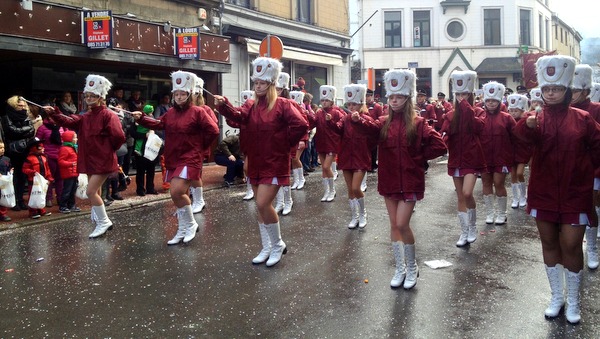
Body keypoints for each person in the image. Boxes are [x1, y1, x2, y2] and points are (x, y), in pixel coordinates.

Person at [513, 55, 600, 324]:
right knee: (549, 243)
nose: (551, 94)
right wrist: (525, 128)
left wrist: (591, 178)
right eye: (547, 89)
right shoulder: (534, 119)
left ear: (567, 89)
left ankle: (574, 300)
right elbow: (519, 148)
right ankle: (556, 297)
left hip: (576, 193)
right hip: (543, 191)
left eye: (557, 89)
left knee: (572, 246)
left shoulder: (584, 119)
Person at [213, 57, 308, 267]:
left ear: (272, 84)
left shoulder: (284, 105)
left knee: (263, 203)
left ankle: (277, 244)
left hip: (274, 161)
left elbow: (302, 124)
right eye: (256, 83)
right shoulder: (250, 104)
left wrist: (286, 144)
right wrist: (225, 105)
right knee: (261, 207)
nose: (258, 86)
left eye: (262, 83)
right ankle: (266, 246)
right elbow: (238, 116)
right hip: (255, 160)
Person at [375, 70, 446, 289]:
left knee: (402, 223)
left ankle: (412, 267)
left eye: (398, 96)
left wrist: (417, 158)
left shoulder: (419, 122)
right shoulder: (382, 122)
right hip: (389, 179)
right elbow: (365, 134)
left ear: (407, 98)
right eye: (391, 97)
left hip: (410, 179)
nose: (394, 100)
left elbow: (440, 146)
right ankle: (399, 268)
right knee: (393, 225)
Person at [132, 71, 219, 245]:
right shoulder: (170, 113)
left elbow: (214, 130)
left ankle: (191, 224)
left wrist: (200, 148)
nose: (179, 97)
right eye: (176, 94)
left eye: (183, 94)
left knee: (176, 191)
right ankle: (182, 228)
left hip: (190, 157)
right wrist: (142, 118)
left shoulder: (198, 112)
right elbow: (158, 123)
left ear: (189, 94)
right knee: (178, 196)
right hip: (173, 157)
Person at [45, 74, 126, 238]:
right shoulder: (85, 116)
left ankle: (104, 221)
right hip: (90, 159)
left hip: (103, 160)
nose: (89, 98)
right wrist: (54, 112)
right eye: (87, 95)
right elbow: (68, 121)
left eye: (93, 95)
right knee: (95, 189)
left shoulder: (108, 115)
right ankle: (98, 217)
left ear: (100, 97)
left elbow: (119, 137)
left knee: (90, 191)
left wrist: (107, 150)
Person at [440, 71, 486, 247]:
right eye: (458, 94)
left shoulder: (479, 111)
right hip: (456, 158)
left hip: (472, 158)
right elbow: (445, 132)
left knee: (467, 193)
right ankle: (464, 231)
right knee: (460, 196)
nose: (461, 97)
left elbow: (478, 128)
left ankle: (472, 226)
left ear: (471, 95)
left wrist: (466, 107)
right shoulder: (451, 114)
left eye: (465, 94)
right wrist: (444, 136)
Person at [326, 84, 379, 229]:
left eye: (354, 104)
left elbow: (375, 131)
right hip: (346, 156)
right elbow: (338, 130)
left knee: (356, 188)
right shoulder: (345, 118)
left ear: (361, 104)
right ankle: (354, 216)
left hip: (361, 157)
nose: (351, 107)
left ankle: (363, 214)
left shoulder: (366, 117)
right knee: (350, 190)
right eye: (349, 104)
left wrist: (360, 121)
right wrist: (330, 121)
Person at [570, 64, 600, 270]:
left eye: (575, 91)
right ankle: (575, 247)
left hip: (592, 167)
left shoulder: (597, 109)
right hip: (569, 167)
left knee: (590, 204)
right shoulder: (563, 109)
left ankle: (592, 248)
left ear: (586, 91)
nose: (571, 95)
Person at [479, 81, 516, 225]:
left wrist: (512, 156)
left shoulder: (507, 118)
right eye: (488, 100)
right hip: (484, 158)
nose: (491, 103)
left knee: (499, 183)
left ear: (499, 100)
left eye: (494, 100)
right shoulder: (481, 117)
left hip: (502, 157)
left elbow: (516, 137)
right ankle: (489, 213)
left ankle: (502, 213)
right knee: (486, 183)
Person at [2, 96, 43, 211]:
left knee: (22, 176)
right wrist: (30, 127)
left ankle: (20, 199)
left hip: (25, 149)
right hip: (12, 150)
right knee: (13, 176)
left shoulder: (26, 117)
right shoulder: (6, 117)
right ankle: (13, 201)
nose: (22, 108)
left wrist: (29, 128)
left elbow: (30, 132)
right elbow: (12, 131)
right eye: (19, 105)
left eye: (23, 105)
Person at [314, 85, 345, 202]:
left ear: (332, 100)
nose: (324, 102)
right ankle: (326, 191)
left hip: (332, 143)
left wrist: (331, 120)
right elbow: (312, 122)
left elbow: (341, 127)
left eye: (326, 100)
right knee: (324, 169)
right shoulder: (319, 112)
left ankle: (332, 190)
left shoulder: (337, 112)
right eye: (322, 100)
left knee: (327, 166)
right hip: (321, 142)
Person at [273, 72, 295, 215]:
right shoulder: (269, 103)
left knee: (284, 173)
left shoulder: (289, 104)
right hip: (272, 144)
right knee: (274, 174)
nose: (276, 92)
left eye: (279, 89)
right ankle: (279, 202)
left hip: (285, 144)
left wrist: (290, 140)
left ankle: (288, 201)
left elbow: (301, 123)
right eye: (274, 88)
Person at [506, 94, 532, 209]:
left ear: (522, 110)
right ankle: (515, 197)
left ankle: (523, 195)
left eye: (516, 110)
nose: (513, 113)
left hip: (522, 151)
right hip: (511, 150)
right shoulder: (508, 120)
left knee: (520, 173)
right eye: (511, 110)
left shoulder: (525, 120)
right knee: (512, 175)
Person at [35, 112, 65, 208]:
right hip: (48, 156)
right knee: (49, 178)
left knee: (60, 178)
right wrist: (42, 151)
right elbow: (38, 142)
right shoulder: (42, 128)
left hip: (61, 155)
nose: (54, 119)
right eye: (52, 117)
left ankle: (60, 198)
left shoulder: (62, 126)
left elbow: (66, 138)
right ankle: (48, 198)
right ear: (48, 117)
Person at [131, 104, 159, 196]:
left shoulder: (154, 120)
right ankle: (140, 189)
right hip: (141, 148)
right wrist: (144, 135)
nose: (150, 114)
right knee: (140, 170)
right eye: (149, 113)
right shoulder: (136, 121)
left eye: (151, 113)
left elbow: (159, 130)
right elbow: (132, 133)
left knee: (151, 169)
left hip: (152, 148)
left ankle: (150, 188)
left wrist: (154, 132)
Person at [22, 138, 53, 219]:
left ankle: (41, 210)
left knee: (42, 195)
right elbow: (24, 169)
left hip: (42, 181)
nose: (43, 149)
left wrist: (49, 178)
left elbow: (47, 169)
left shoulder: (44, 158)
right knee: (33, 196)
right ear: (34, 148)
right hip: (33, 181)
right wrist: (32, 172)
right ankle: (32, 211)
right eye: (40, 147)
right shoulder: (29, 159)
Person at [57, 130, 81, 213]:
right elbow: (61, 161)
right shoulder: (65, 149)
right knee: (67, 190)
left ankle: (71, 205)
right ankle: (63, 206)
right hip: (68, 173)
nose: (76, 139)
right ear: (69, 139)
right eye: (74, 137)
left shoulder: (73, 148)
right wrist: (71, 164)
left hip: (74, 172)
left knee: (73, 190)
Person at [0, 142, 12, 221]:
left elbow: (9, 167)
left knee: (3, 197)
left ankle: (3, 213)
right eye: (0, 148)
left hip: (4, 182)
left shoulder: (6, 159)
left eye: (3, 148)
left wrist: (10, 171)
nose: (2, 150)